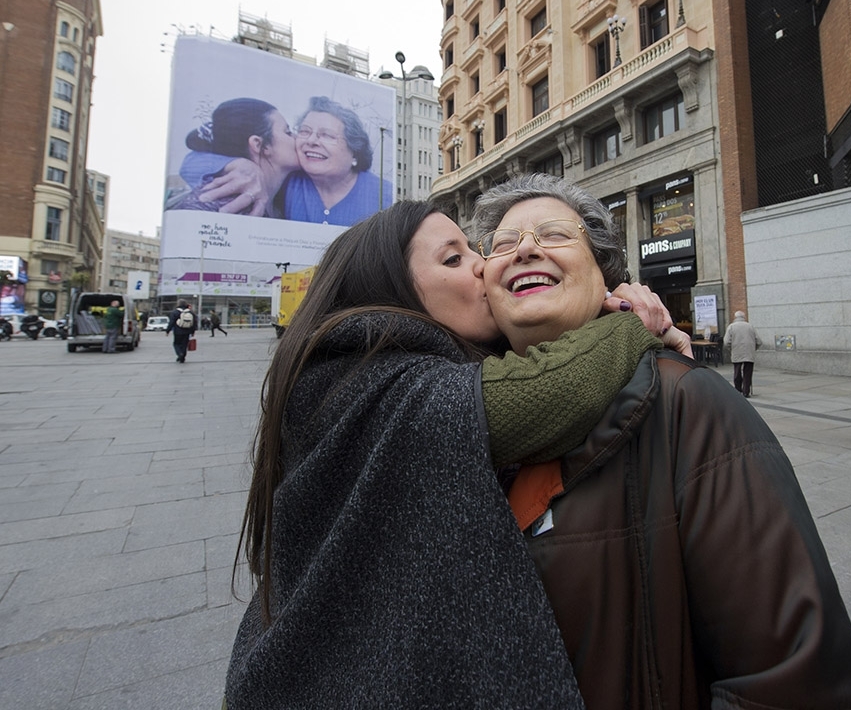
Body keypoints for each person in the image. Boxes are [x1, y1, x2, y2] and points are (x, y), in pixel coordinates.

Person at [226, 201, 686, 709]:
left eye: (474, 250)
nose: (483, 265)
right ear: (394, 290)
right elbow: (545, 392)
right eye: (453, 259)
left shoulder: (392, 365)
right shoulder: (360, 375)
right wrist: (631, 323)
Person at [472, 173, 851, 710]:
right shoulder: (456, 413)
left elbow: (795, 680)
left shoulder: (687, 401)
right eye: (503, 243)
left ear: (606, 277)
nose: (525, 249)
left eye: (554, 235)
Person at [182, 97, 391, 227]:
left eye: (327, 135)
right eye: (304, 131)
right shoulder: (288, 178)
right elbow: (190, 162)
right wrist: (240, 165)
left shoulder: (385, 194)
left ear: (355, 151)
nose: (311, 141)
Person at [167, 98, 299, 216]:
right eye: (287, 132)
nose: (297, 138)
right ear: (259, 145)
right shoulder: (210, 204)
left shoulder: (281, 199)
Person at [722, 309, 762, 397]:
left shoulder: (731, 327)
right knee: (748, 372)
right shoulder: (750, 326)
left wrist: (731, 349)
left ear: (735, 317)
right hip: (749, 352)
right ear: (744, 317)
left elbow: (726, 342)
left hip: (736, 351)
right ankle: (746, 391)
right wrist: (753, 348)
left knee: (737, 371)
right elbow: (759, 341)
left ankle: (738, 389)